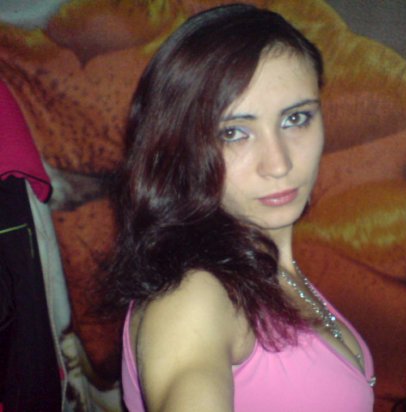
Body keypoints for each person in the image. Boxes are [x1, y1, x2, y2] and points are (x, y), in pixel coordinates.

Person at [106, 3, 375, 411]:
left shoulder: (270, 269)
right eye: (234, 132)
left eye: (295, 119)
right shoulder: (193, 297)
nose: (279, 164)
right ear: (180, 146)